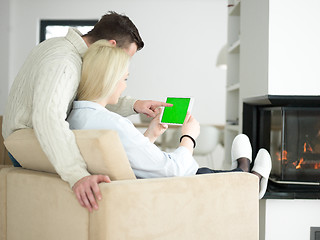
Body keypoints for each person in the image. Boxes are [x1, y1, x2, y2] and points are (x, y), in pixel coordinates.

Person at [67, 40, 272, 211]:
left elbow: (123, 158)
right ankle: (249, 180)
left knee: (204, 171)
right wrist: (189, 138)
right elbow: (173, 170)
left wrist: (151, 133)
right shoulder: (114, 123)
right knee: (199, 173)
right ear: (108, 81)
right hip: (160, 190)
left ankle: (243, 171)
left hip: (133, 185)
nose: (125, 85)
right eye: (124, 79)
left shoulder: (75, 118)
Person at [2, 11, 171, 212]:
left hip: (23, 147)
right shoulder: (65, 62)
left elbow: (90, 93)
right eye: (125, 58)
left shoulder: (57, 46)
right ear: (111, 46)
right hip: (33, 148)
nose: (122, 67)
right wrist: (77, 174)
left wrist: (134, 105)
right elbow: (47, 117)